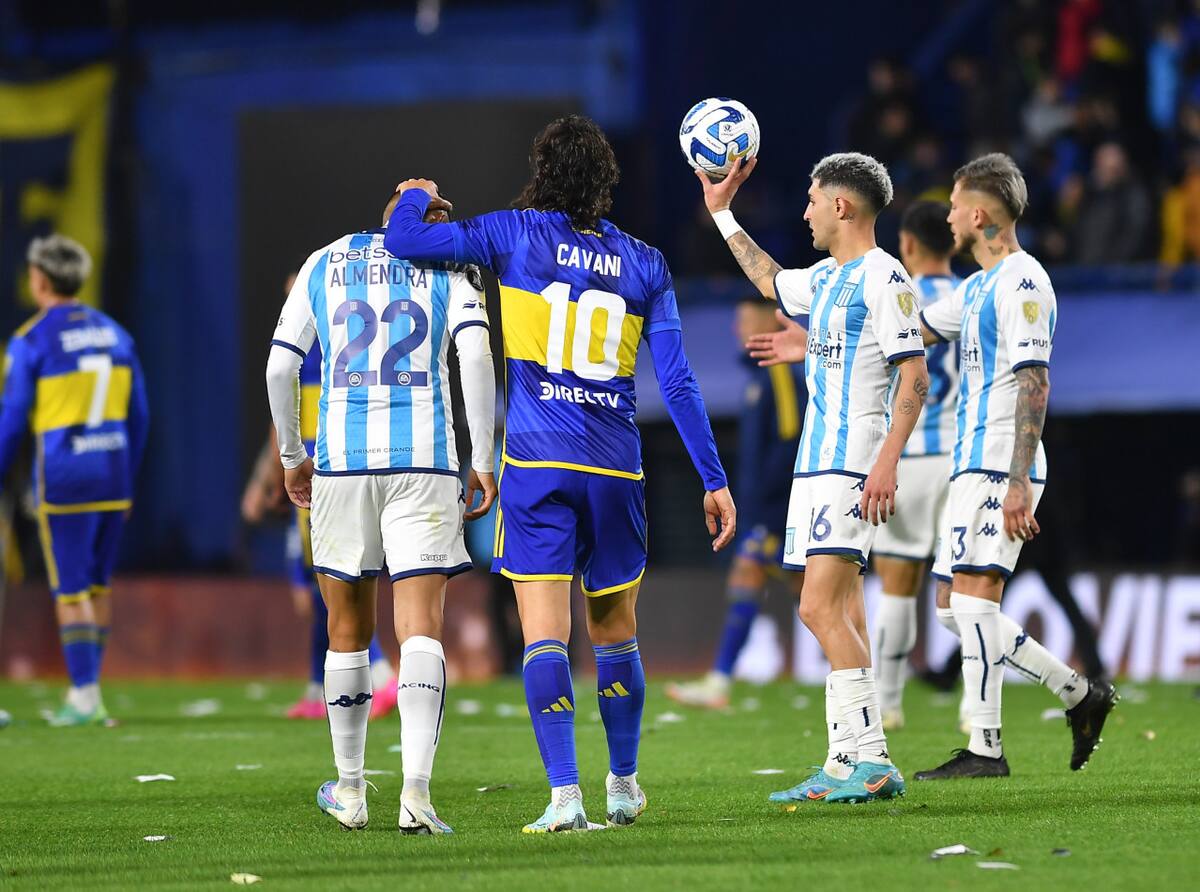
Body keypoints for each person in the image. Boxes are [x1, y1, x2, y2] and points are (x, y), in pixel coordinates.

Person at [383, 114, 736, 832]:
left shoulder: (513, 234)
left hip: (538, 463)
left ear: (542, 173)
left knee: (545, 634)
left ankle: (565, 798)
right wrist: (713, 477)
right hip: (615, 467)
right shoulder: (645, 263)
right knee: (615, 632)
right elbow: (677, 381)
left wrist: (416, 193)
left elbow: (405, 240)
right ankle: (624, 784)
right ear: (606, 184)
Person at [701, 152, 930, 804]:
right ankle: (842, 760)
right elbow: (770, 279)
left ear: (841, 205)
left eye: (811, 199)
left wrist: (885, 462)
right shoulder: (827, 279)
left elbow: (914, 376)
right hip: (816, 466)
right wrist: (722, 214)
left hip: (851, 464)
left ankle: (873, 758)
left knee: (816, 606)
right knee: (844, 609)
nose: (804, 212)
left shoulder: (885, 278)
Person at [266, 190, 496, 833]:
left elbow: (280, 369)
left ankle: (350, 791)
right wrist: (482, 458)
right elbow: (477, 359)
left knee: (345, 628)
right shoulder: (452, 267)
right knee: (420, 629)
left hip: (341, 463)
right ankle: (416, 795)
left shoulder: (324, 261)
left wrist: (292, 455)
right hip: (424, 461)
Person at [913, 153, 1117, 779]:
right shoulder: (978, 286)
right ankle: (1078, 694)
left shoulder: (1023, 281)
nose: (948, 216)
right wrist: (812, 343)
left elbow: (1035, 382)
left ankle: (986, 748)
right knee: (950, 606)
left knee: (975, 604)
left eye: (954, 206)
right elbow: (914, 330)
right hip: (971, 459)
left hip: (1003, 459)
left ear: (979, 215)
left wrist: (1020, 479)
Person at [0, 235, 149, 726]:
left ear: (39, 280)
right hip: (113, 473)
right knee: (98, 586)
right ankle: (88, 689)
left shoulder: (31, 339)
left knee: (71, 590)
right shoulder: (116, 334)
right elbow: (140, 416)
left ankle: (84, 696)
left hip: (66, 477)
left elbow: (13, 418)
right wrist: (128, 478)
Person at [241, 282, 396, 721]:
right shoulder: (349, 338)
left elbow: (282, 418)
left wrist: (269, 478)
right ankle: (317, 687)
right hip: (347, 469)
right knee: (322, 586)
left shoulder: (311, 348)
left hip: (318, 478)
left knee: (325, 585)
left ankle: (381, 673)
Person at [666, 299, 806, 709]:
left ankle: (861, 675)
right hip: (768, 510)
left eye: (744, 319)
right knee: (804, 595)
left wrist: (766, 509)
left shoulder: (778, 373)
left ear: (767, 321)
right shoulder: (758, 377)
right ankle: (720, 680)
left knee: (806, 596)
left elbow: (791, 439)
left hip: (778, 511)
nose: (736, 328)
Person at [870, 200, 961, 731]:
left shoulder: (899, 296)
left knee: (897, 585)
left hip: (907, 459)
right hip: (961, 461)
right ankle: (977, 710)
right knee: (968, 592)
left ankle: (888, 702)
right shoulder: (971, 294)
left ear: (906, 244)